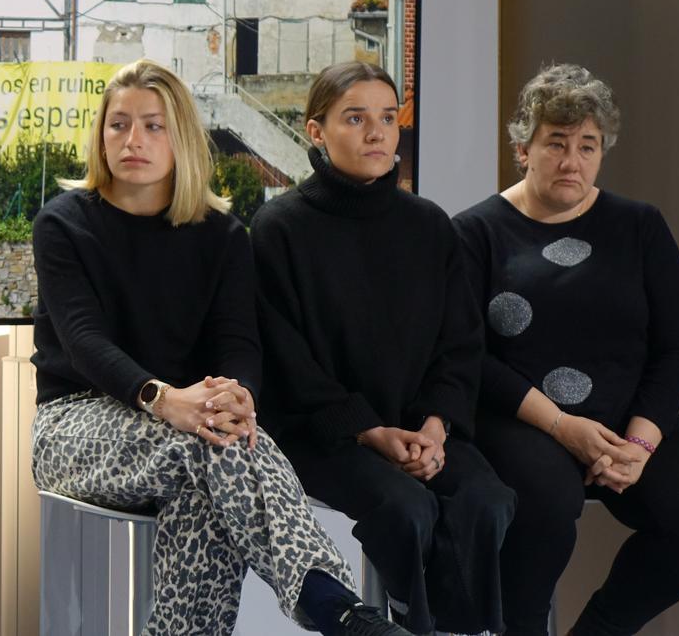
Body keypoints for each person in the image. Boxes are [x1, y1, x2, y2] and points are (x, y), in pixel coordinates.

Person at [29, 58, 408, 636]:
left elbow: (237, 343)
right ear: (100, 135)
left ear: (181, 137)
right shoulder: (63, 224)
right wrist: (163, 398)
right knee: (208, 446)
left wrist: (237, 396)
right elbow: (84, 344)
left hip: (191, 424)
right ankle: (335, 605)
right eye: (118, 124)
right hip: (74, 423)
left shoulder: (223, 235)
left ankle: (333, 611)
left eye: (153, 125)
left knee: (205, 482)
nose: (133, 140)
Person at [453, 63, 679, 636]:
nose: (572, 161)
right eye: (555, 143)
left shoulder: (640, 227)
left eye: (588, 146)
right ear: (522, 149)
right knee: (547, 508)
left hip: (628, 422)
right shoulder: (474, 233)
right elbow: (467, 357)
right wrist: (563, 427)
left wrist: (637, 443)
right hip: (523, 420)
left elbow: (678, 352)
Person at [251, 61, 515, 635]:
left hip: (423, 431)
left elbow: (461, 344)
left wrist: (436, 427)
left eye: (388, 118)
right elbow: (286, 359)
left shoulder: (430, 226)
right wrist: (369, 430)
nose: (377, 133)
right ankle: (408, 622)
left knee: (486, 502)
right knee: (406, 509)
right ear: (316, 131)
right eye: (356, 118)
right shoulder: (279, 229)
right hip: (325, 434)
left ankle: (460, 630)